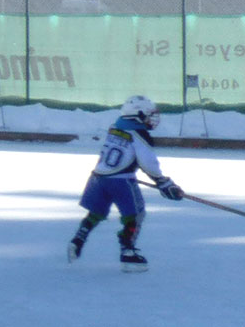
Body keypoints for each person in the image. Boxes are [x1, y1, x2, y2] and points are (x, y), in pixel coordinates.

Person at [69, 95, 185, 272]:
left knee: (96, 212)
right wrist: (163, 182)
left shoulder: (115, 127)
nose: (151, 119)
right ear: (137, 116)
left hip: (98, 177)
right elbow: (148, 162)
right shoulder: (139, 134)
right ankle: (128, 252)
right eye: (147, 115)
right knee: (135, 215)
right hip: (121, 181)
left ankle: (78, 239)